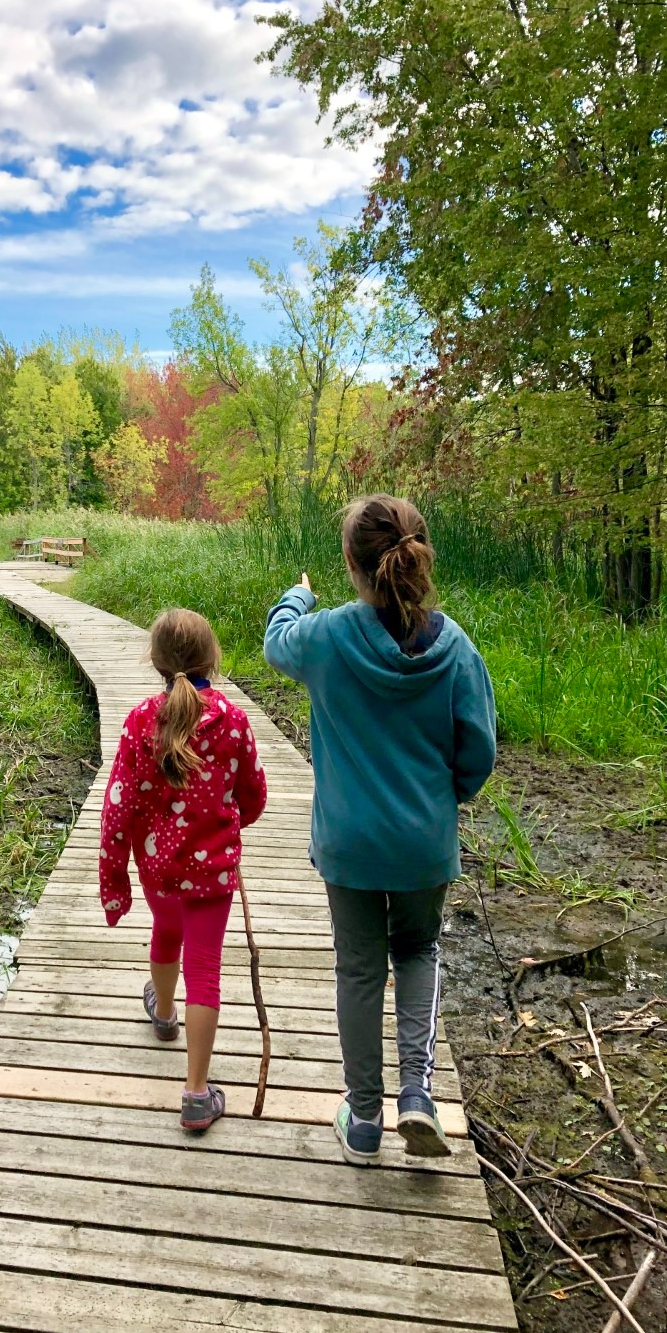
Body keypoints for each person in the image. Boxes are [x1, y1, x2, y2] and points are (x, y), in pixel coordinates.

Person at [263, 494, 495, 1165]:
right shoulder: (454, 649)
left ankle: (363, 1118)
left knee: (358, 969)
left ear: (351, 566)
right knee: (418, 952)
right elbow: (478, 751)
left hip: (350, 844)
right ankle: (417, 1096)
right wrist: (440, 801)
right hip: (424, 843)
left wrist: (294, 598)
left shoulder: (328, 635)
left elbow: (276, 643)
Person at [99, 608, 267, 1132]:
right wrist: (233, 819)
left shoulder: (138, 722)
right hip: (213, 871)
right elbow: (254, 794)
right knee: (206, 971)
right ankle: (196, 1093)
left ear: (155, 661)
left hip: (158, 866)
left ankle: (165, 1014)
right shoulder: (233, 720)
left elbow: (117, 806)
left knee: (165, 932)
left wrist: (115, 874)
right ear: (212, 658)